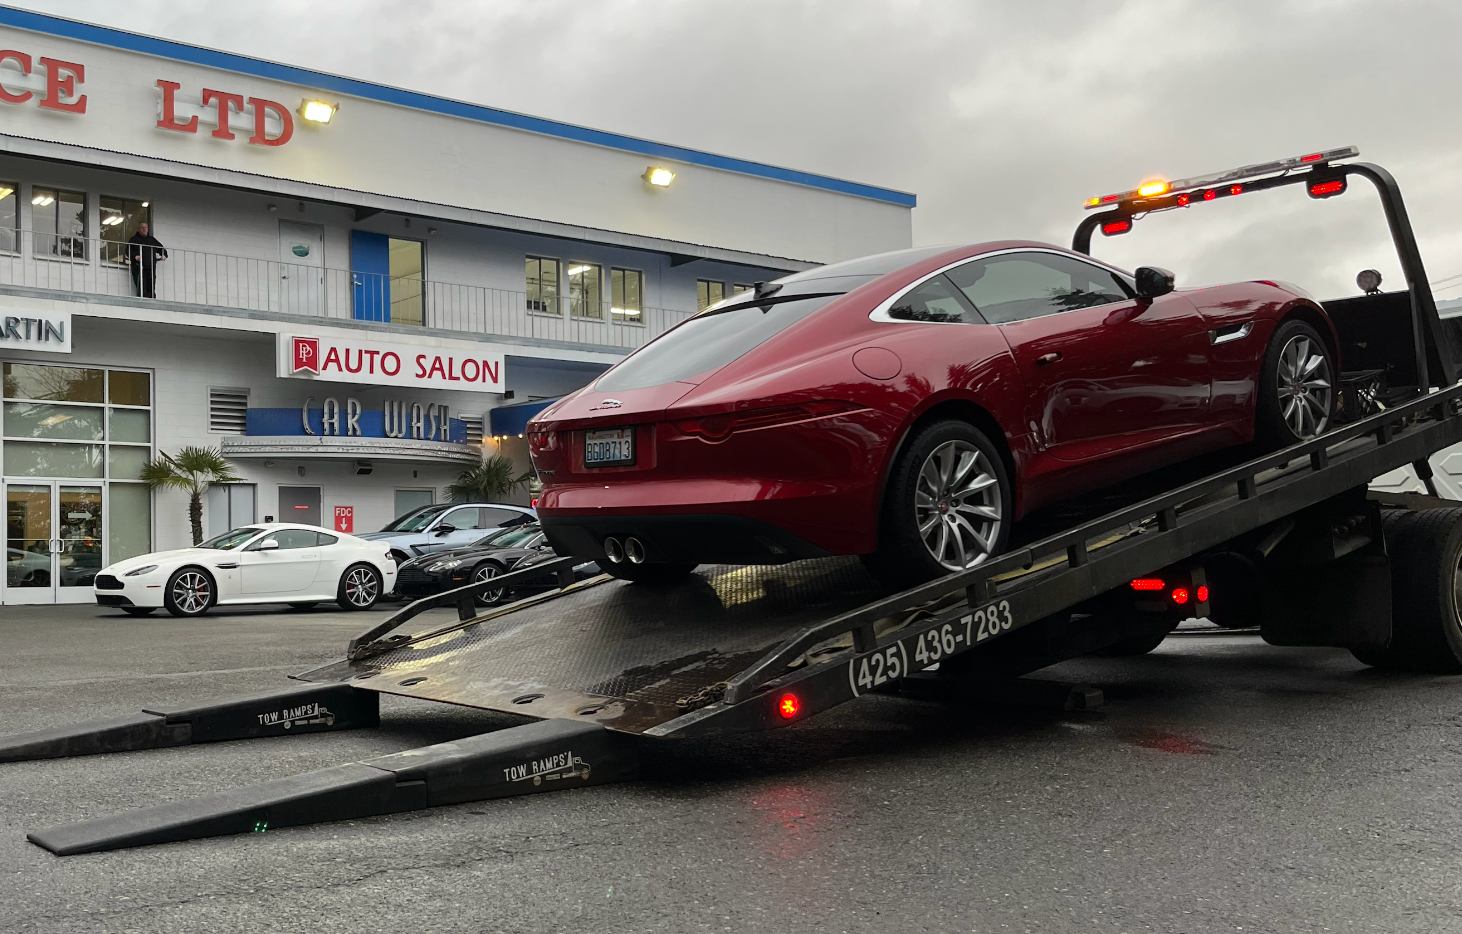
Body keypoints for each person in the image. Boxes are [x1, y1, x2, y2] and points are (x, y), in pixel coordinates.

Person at [126, 222, 167, 298]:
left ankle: (151, 299)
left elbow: (161, 249)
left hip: (150, 266)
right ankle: (142, 299)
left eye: (146, 228)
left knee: (151, 283)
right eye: (142, 228)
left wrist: (164, 255)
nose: (144, 229)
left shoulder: (151, 240)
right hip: (139, 266)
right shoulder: (134, 239)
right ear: (138, 229)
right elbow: (128, 251)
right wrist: (135, 256)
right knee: (141, 284)